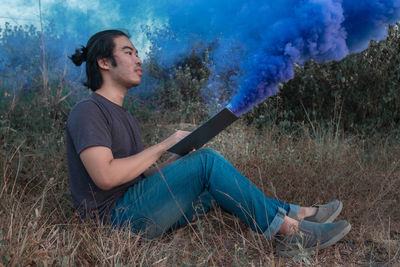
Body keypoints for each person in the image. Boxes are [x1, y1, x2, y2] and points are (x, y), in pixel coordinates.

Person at [66, 29, 351, 257]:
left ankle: (300, 212)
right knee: (208, 161)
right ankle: (291, 234)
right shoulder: (88, 111)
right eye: (129, 52)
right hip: (115, 223)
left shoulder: (124, 116)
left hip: (136, 208)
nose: (138, 59)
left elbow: (137, 177)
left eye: (138, 53)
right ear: (104, 62)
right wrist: (164, 144)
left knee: (213, 187)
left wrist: (178, 160)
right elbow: (105, 177)